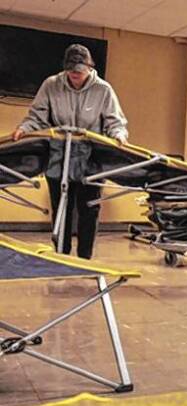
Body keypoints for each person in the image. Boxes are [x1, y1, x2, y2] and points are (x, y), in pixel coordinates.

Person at [12, 44, 128, 259]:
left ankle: (85, 257)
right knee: (61, 207)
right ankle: (61, 255)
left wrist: (119, 135)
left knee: (89, 208)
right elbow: (37, 116)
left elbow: (114, 121)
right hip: (59, 156)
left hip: (91, 158)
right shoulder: (51, 85)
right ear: (65, 68)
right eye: (71, 71)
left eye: (79, 71)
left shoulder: (103, 89)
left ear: (89, 68)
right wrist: (24, 129)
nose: (75, 75)